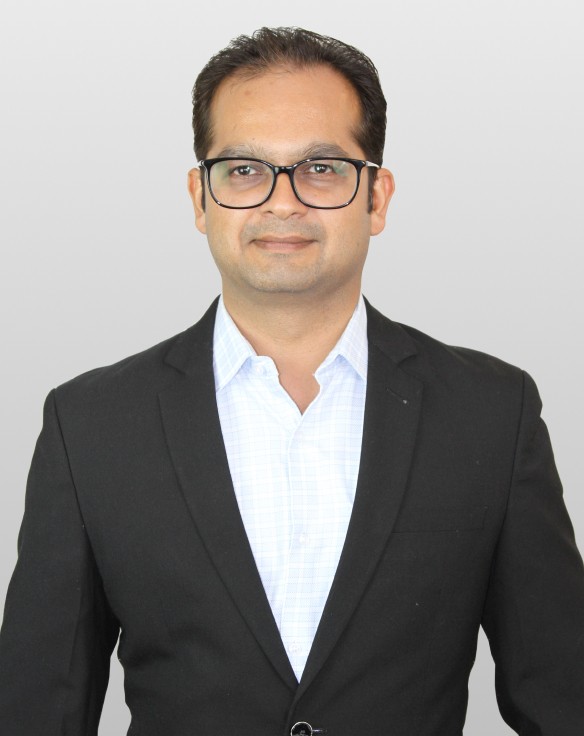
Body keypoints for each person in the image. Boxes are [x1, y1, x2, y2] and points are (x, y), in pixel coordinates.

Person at [0, 26, 583, 736]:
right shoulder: (90, 425)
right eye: (245, 169)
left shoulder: (491, 413)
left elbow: (565, 700)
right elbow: (38, 710)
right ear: (200, 197)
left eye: (322, 168)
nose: (282, 202)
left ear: (376, 198)